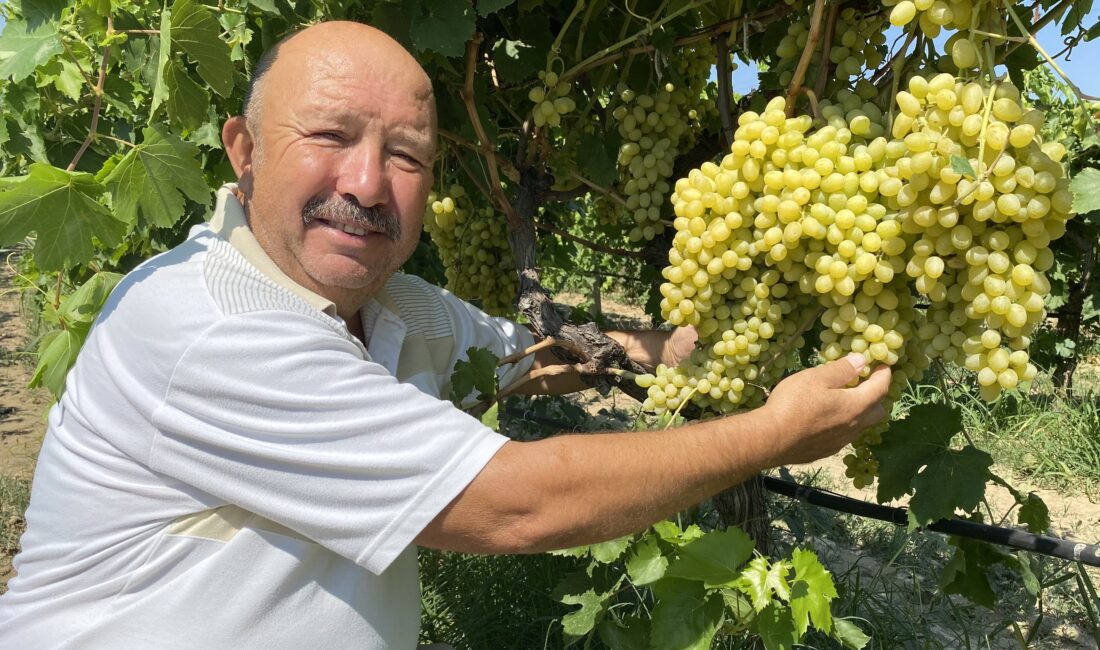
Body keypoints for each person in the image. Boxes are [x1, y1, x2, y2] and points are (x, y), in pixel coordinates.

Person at [0, 21, 890, 649]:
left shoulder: (403, 306)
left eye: (408, 156)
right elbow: (513, 504)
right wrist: (773, 432)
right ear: (243, 149)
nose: (368, 181)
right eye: (329, 135)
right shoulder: (207, 326)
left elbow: (530, 363)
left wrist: (713, 338)